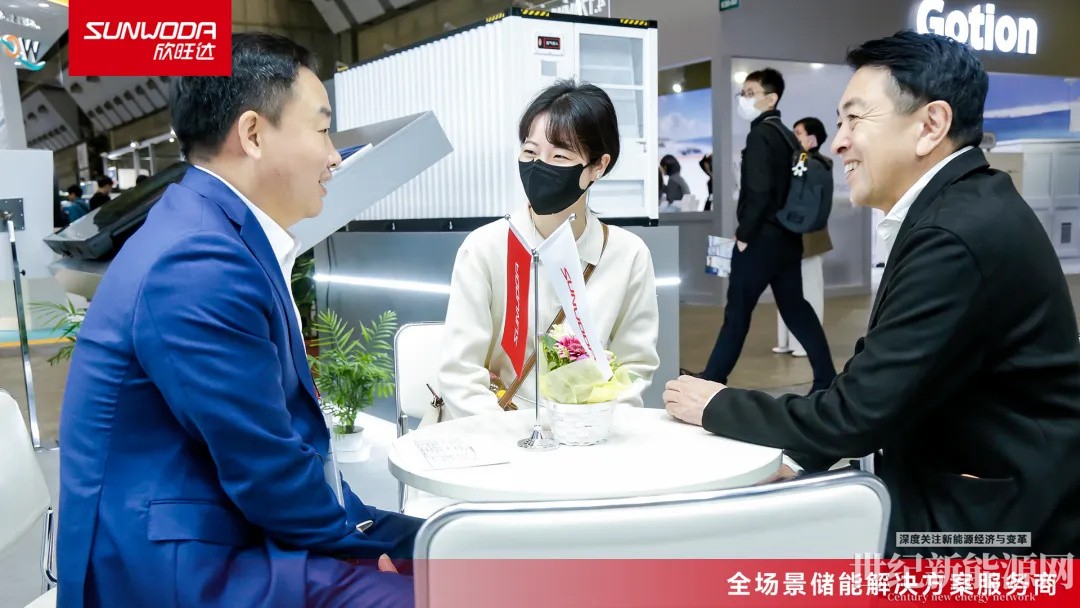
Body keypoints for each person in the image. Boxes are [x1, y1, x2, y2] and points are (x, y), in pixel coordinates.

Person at [663, 31, 1080, 556]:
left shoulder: (955, 233)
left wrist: (717, 404)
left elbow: (856, 415)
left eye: (854, 119)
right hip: (969, 484)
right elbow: (879, 375)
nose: (839, 142)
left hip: (998, 524)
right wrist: (797, 458)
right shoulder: (959, 207)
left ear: (931, 125)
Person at [58, 33, 421, 608]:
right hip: (184, 564)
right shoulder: (198, 260)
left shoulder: (211, 228)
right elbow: (266, 471)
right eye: (322, 129)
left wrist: (381, 533)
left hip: (224, 519)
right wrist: (364, 547)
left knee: (458, 553)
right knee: (442, 588)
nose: (335, 156)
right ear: (253, 134)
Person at [437, 79, 660, 421]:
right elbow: (460, 373)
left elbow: (635, 366)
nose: (539, 166)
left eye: (559, 156)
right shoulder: (485, 248)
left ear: (598, 166)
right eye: (530, 152)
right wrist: (510, 436)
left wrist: (594, 427)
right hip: (496, 428)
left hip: (589, 433)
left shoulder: (629, 255)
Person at [693, 68, 836, 392]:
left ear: (771, 99)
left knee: (737, 310)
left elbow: (759, 191)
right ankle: (825, 377)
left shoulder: (760, 135)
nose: (744, 99)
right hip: (788, 238)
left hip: (761, 240)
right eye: (743, 93)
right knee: (796, 307)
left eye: (750, 93)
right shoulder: (786, 134)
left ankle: (712, 379)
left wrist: (744, 235)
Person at [773, 117, 834, 358]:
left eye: (799, 133)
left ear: (812, 138)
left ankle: (805, 343)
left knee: (810, 291)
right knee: (787, 289)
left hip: (809, 239)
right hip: (789, 236)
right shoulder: (799, 160)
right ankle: (786, 340)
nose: (794, 137)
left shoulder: (817, 163)